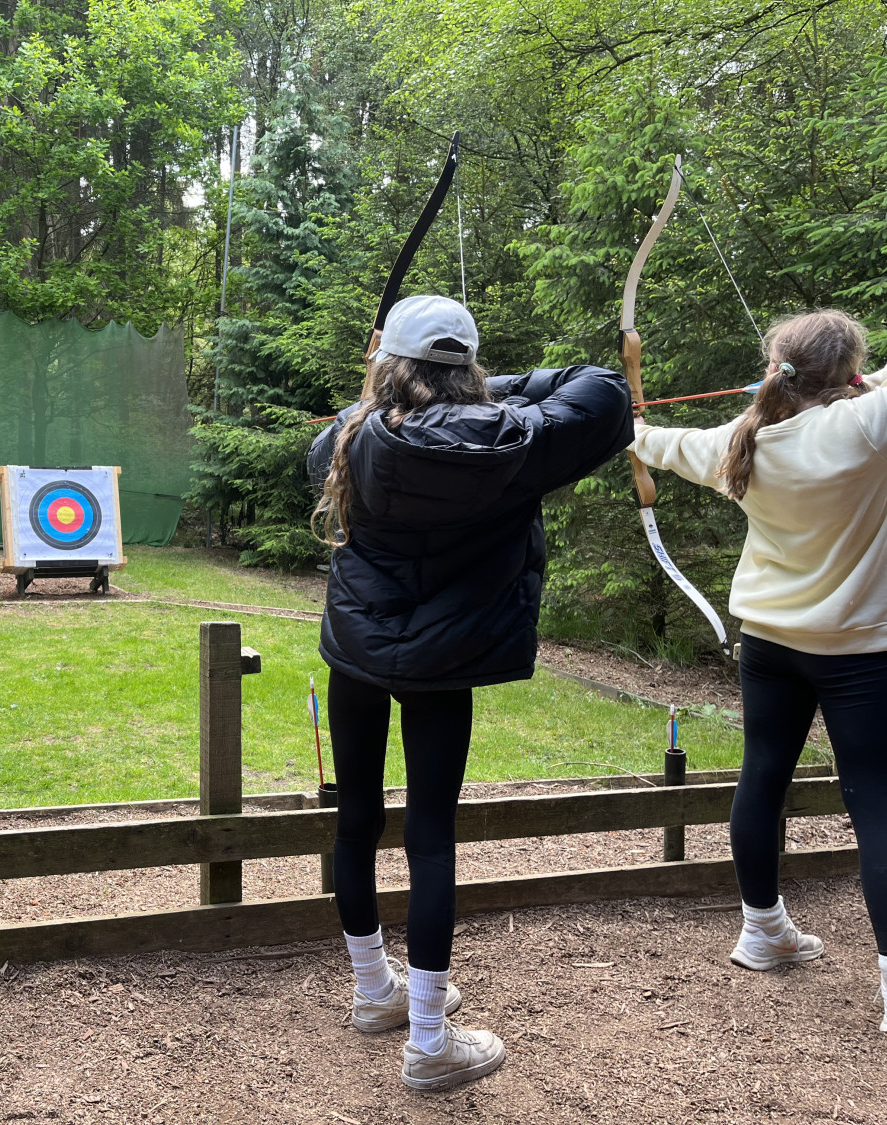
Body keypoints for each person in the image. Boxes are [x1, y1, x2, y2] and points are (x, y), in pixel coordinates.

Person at [309, 294, 634, 1090]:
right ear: (468, 369)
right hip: (443, 660)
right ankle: (426, 1038)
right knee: (429, 836)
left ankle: (373, 990)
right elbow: (602, 389)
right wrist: (488, 387)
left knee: (356, 820)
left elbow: (333, 448)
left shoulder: (347, 433)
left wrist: (390, 385)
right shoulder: (512, 438)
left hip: (357, 650)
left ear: (390, 363)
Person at [630, 309, 887, 1042]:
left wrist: (634, 424)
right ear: (848, 374)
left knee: (763, 774)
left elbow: (655, 441)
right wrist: (869, 381)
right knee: (876, 803)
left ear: (777, 370)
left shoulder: (741, 441)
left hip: (770, 643)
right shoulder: (868, 423)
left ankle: (763, 930)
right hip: (858, 651)